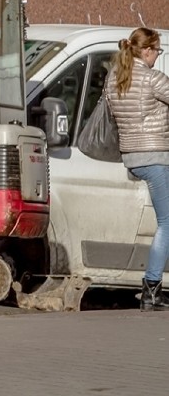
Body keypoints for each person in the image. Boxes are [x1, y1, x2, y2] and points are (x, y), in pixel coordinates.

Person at [105, 27, 169, 311]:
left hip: (131, 155)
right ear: (147, 51)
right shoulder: (153, 79)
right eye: (157, 50)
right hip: (155, 156)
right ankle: (152, 288)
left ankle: (152, 287)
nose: (158, 55)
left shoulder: (114, 78)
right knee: (167, 223)